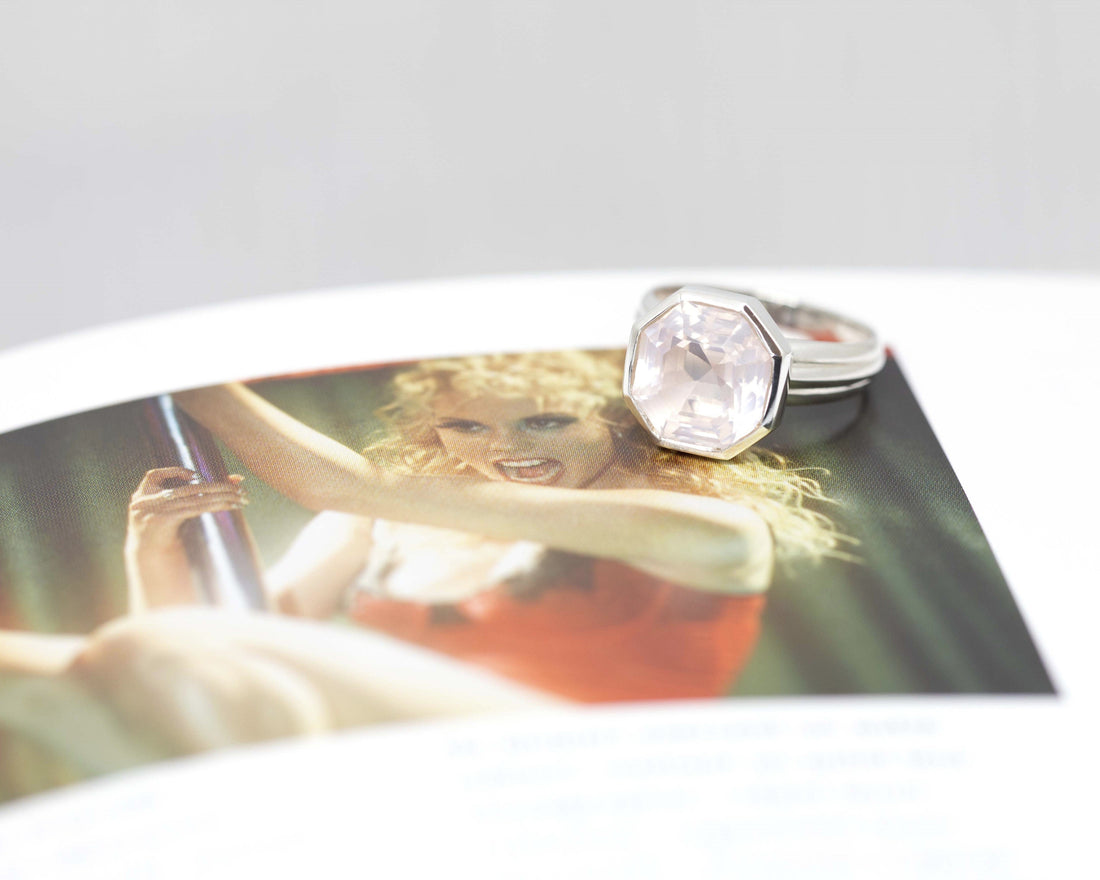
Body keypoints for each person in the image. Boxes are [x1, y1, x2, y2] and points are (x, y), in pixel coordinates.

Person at [157, 349, 847, 702]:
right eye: (465, 426)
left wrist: (187, 375)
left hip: (584, 786)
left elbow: (338, 484)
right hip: (414, 786)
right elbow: (219, 656)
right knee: (115, 665)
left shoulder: (710, 529)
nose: (505, 451)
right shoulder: (382, 527)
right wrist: (150, 549)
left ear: (619, 416)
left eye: (545, 421)